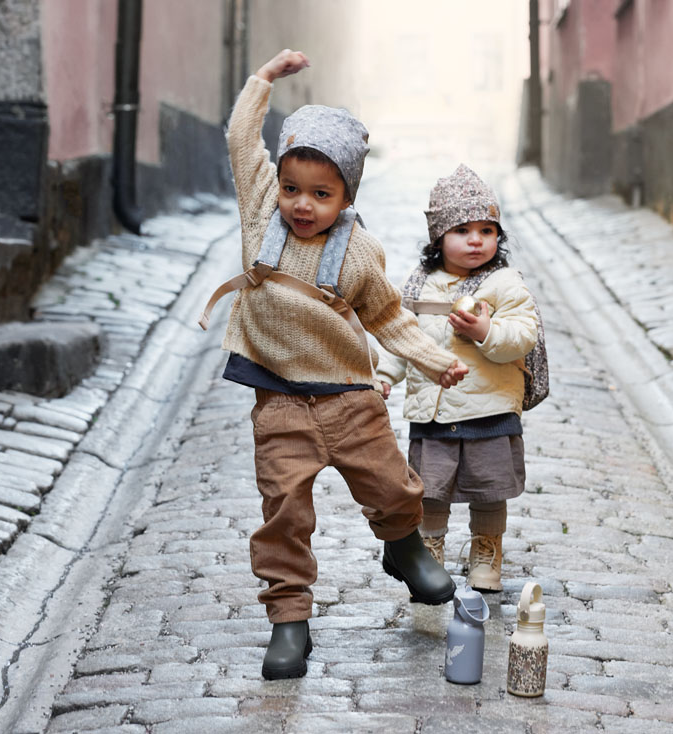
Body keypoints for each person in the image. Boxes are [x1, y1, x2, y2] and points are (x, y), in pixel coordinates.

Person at [218, 49, 469, 680]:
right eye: (292, 188)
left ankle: (405, 548)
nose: (302, 205)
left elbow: (389, 318)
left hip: (350, 396)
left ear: (348, 195)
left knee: (391, 486)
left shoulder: (359, 251)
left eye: (321, 194)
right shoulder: (259, 210)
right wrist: (263, 81)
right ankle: (289, 618)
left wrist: (434, 362)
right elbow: (242, 138)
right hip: (278, 399)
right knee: (284, 509)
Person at [378, 164, 539, 594]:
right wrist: (383, 374)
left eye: (487, 230)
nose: (476, 240)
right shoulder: (419, 284)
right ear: (438, 237)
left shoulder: (505, 284)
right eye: (463, 230)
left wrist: (484, 332)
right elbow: (401, 337)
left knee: (490, 487)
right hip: (433, 412)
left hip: (490, 408)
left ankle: (487, 550)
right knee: (429, 490)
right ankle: (430, 552)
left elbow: (522, 336)